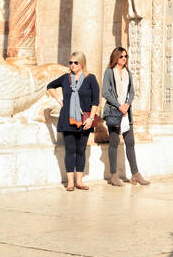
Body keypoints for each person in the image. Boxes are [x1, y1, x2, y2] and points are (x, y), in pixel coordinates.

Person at [47, 53, 99, 191]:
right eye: (70, 62)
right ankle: (70, 183)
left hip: (84, 120)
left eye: (75, 62)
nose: (72, 65)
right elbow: (50, 86)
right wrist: (59, 99)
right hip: (67, 119)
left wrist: (91, 118)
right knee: (70, 150)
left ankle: (79, 181)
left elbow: (95, 101)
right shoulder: (66, 78)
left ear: (82, 63)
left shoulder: (91, 79)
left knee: (81, 150)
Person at [102, 46, 149, 186]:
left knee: (130, 142)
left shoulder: (128, 72)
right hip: (114, 112)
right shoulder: (109, 72)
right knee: (114, 143)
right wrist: (119, 105)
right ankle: (113, 175)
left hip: (126, 113)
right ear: (116, 57)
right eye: (122, 56)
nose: (124, 59)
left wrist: (127, 104)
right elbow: (105, 92)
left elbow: (132, 92)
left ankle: (135, 174)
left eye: (126, 56)